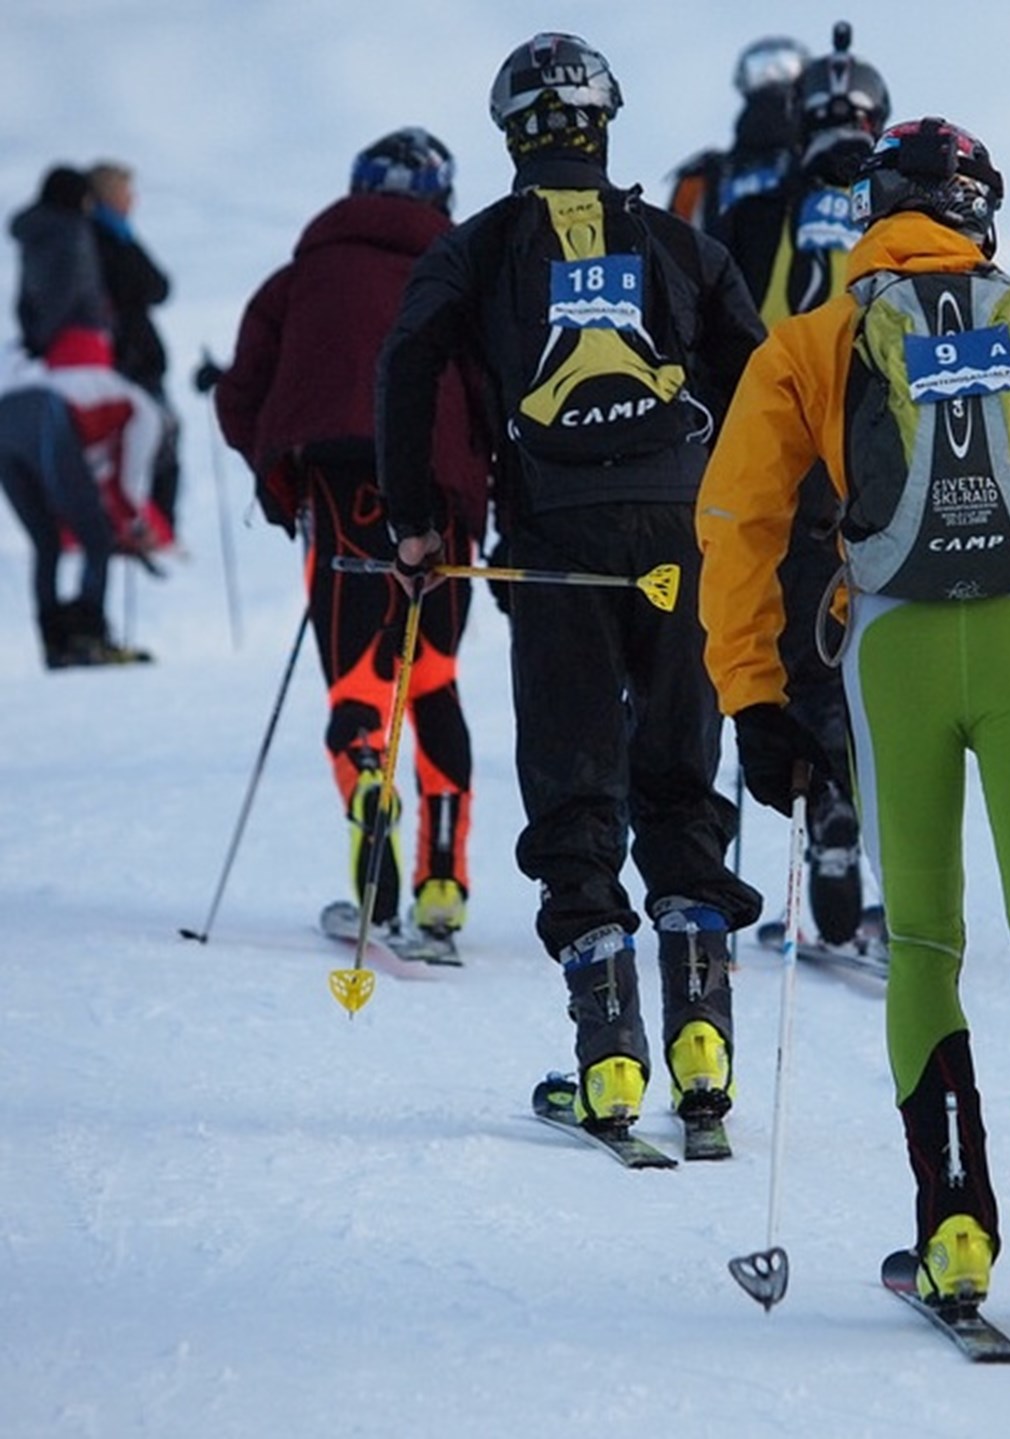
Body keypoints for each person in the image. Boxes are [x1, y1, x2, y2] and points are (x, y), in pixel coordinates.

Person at [697, 117, 1010, 1318]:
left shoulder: (815, 338)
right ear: (980, 213)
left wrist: (753, 693)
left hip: (894, 639)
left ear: (875, 213)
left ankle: (955, 1222)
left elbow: (739, 521)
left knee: (922, 941)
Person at [377, 34, 766, 1147]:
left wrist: (416, 520)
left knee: (575, 782)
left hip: (554, 539)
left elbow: (406, 362)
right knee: (681, 773)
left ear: (512, 134)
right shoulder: (682, 243)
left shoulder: (480, 245)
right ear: (604, 123)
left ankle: (609, 1060)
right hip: (683, 533)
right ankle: (703, 1039)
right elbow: (760, 375)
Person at [214, 128, 488, 944]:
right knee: (432, 677)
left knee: (360, 684)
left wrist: (279, 473)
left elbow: (240, 394)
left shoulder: (298, 276)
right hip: (440, 486)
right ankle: (443, 884)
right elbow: (495, 388)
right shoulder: (464, 273)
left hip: (337, 481)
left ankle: (371, 789)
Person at [705, 21, 892, 944]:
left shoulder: (753, 200)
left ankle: (824, 810)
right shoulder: (907, 203)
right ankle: (895, 853)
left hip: (789, 448)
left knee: (804, 643)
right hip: (892, 452)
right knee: (890, 645)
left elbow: (717, 327)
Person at [10, 164, 165, 560]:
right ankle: (129, 528)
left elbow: (28, 297)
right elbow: (77, 288)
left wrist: (36, 337)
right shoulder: (76, 233)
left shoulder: (36, 237)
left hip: (60, 351)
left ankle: (84, 529)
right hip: (92, 348)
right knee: (134, 429)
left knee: (77, 441)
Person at [0, 381, 149, 667]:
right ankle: (87, 637)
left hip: (8, 414)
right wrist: (130, 519)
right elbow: (124, 479)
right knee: (97, 537)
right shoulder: (142, 410)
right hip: (45, 412)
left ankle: (54, 641)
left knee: (45, 542)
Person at [87, 161, 182, 546]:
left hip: (133, 360)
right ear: (109, 194)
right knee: (157, 442)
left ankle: (147, 529)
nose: (134, 199)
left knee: (151, 445)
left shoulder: (116, 236)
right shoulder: (104, 239)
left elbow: (158, 286)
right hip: (127, 362)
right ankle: (151, 531)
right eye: (127, 191)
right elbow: (151, 285)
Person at [665, 34, 810, 234]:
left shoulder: (821, 163)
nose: (770, 73)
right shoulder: (703, 176)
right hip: (721, 250)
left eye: (783, 67)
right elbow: (672, 238)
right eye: (761, 69)